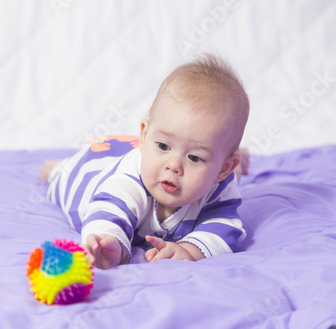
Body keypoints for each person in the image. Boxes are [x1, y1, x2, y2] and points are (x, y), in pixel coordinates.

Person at [39, 54, 250, 269]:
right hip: (90, 170)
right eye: (163, 146)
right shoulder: (126, 181)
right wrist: (110, 245)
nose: (173, 166)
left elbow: (224, 229)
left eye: (194, 157)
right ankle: (58, 168)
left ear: (224, 169)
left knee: (216, 171)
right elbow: (108, 212)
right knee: (64, 174)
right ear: (145, 134)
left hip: (157, 152)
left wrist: (189, 251)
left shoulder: (220, 186)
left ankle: (219, 157)